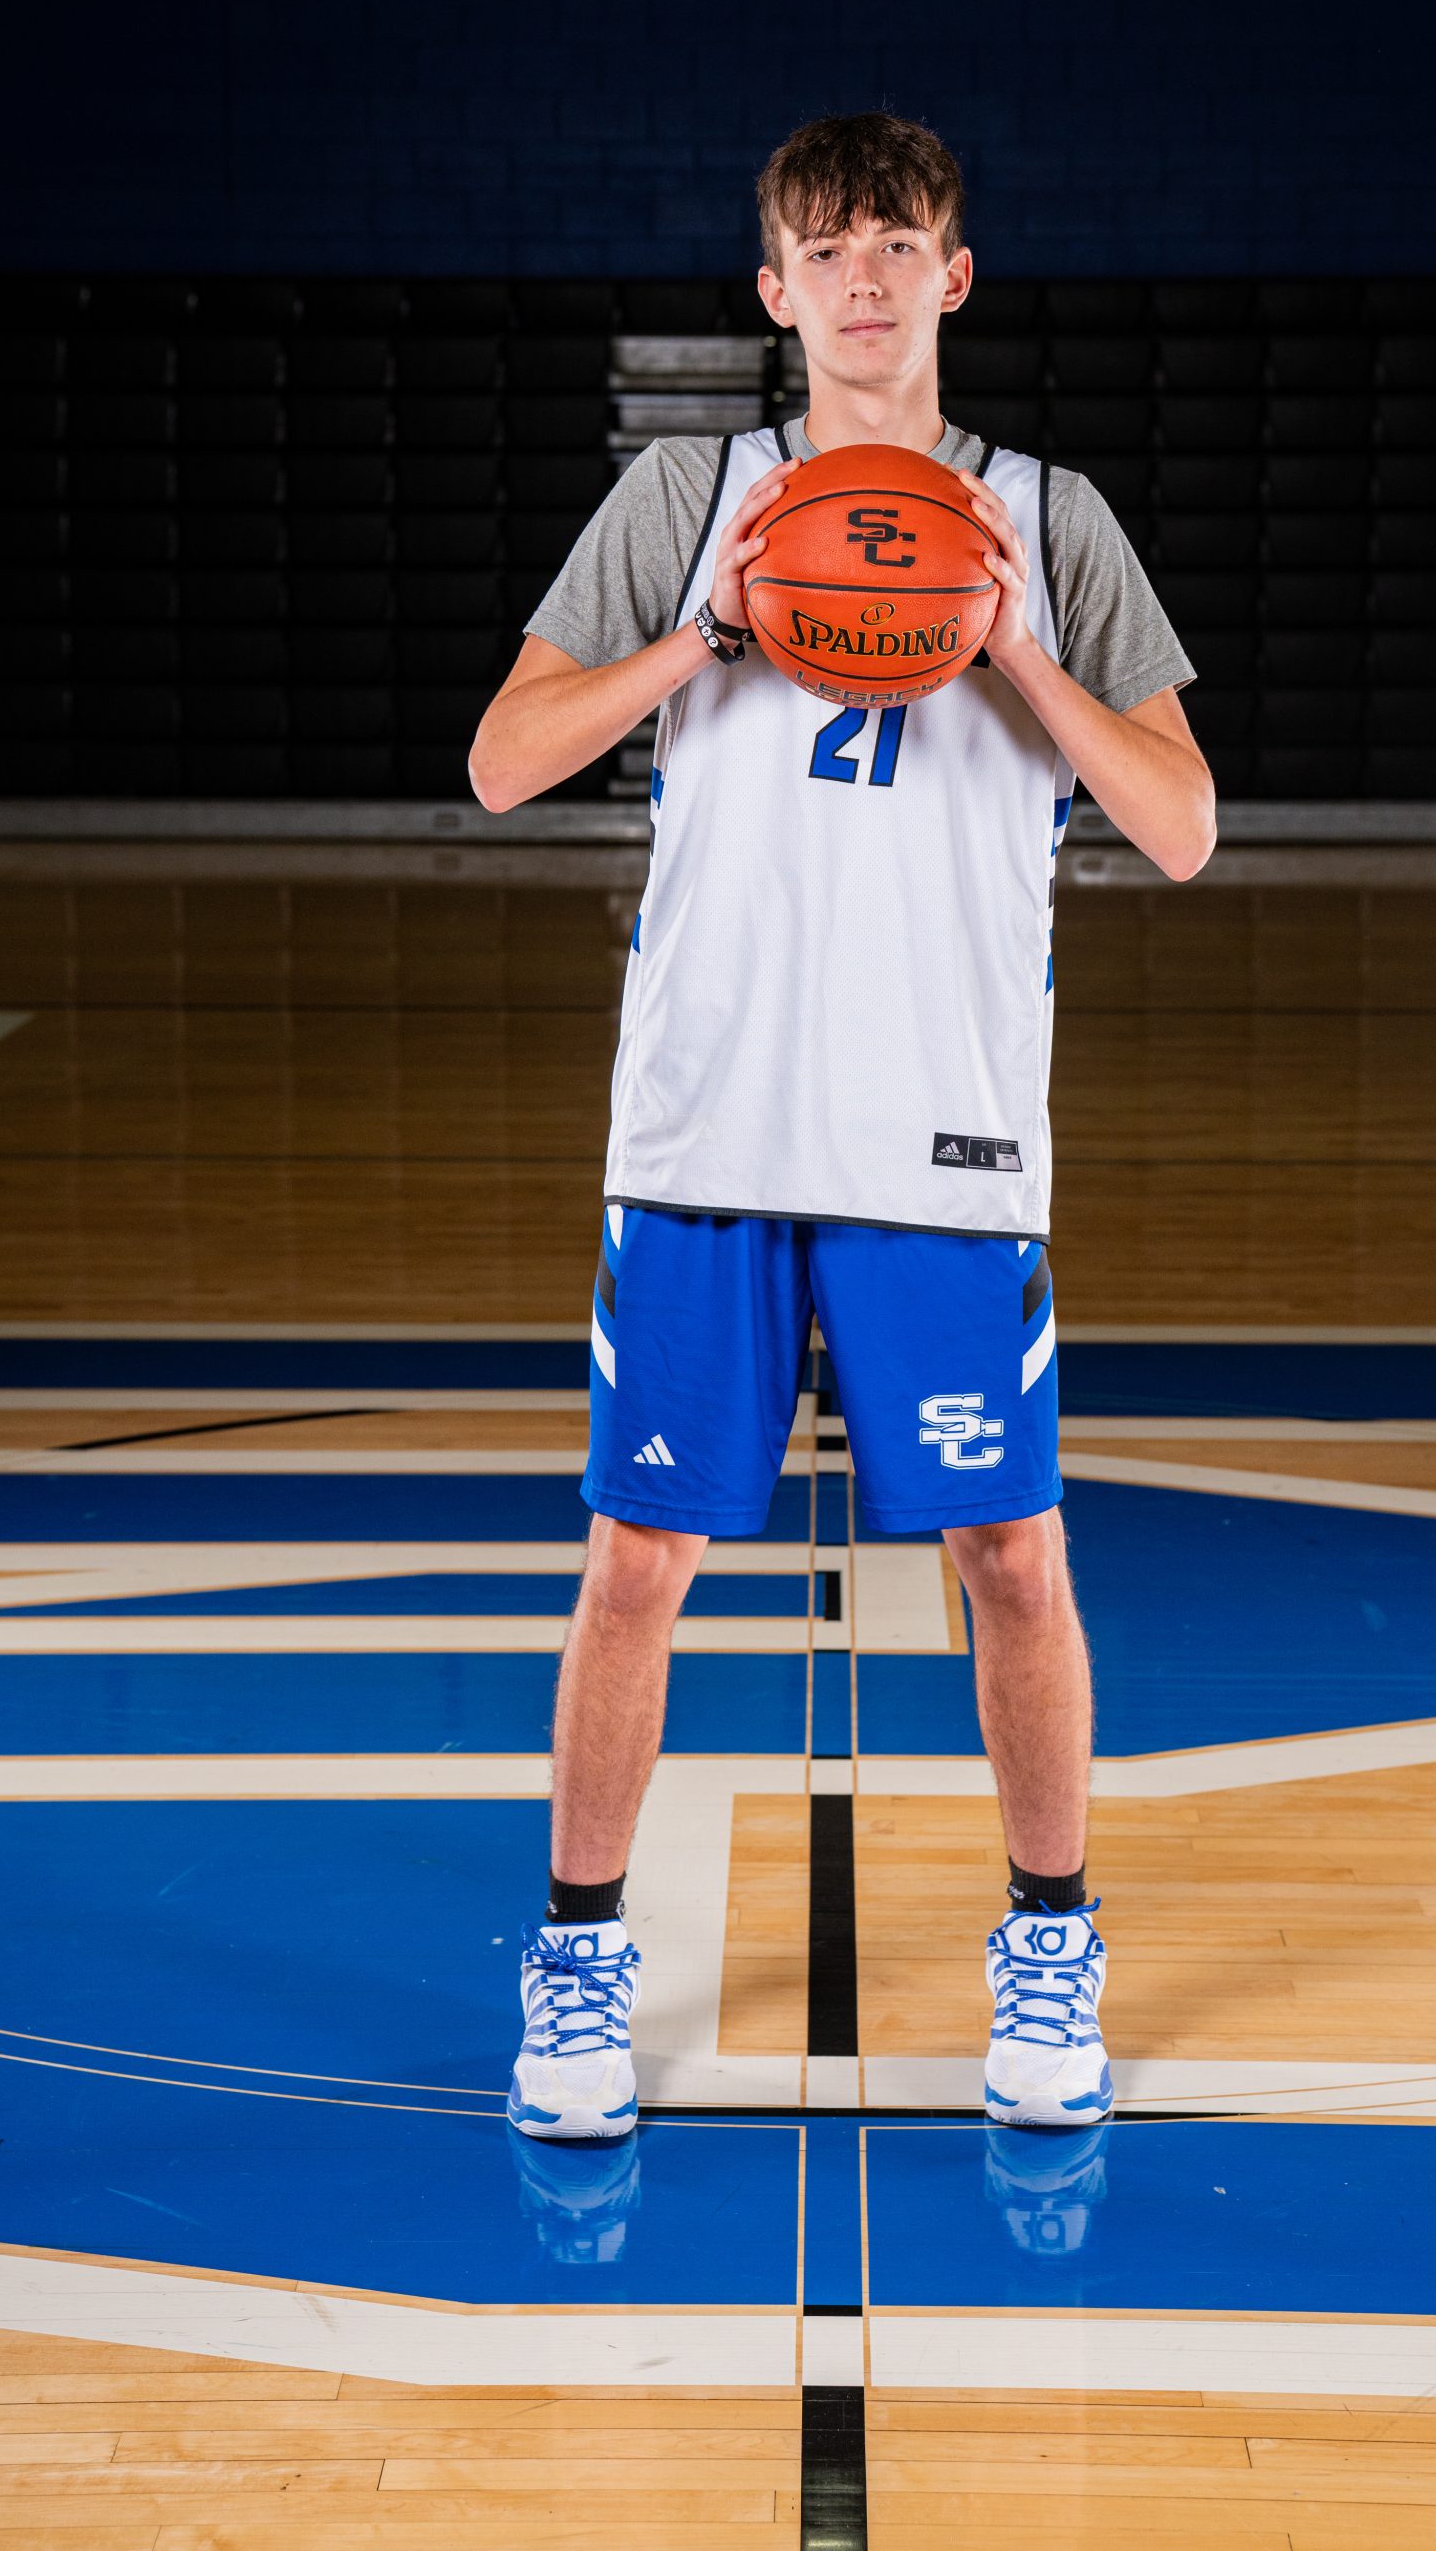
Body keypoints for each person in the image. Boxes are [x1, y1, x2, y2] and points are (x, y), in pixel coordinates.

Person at [470, 110, 1215, 2141]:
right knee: (636, 1559)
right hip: (703, 1130)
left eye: (898, 245)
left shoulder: (1047, 517)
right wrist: (702, 634)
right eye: (826, 248)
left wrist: (1013, 651)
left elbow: (1178, 823)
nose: (864, 279)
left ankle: (1049, 1941)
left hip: (941, 1143)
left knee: (1012, 1557)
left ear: (953, 277)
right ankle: (577, 1958)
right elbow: (504, 761)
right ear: (774, 289)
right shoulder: (686, 498)